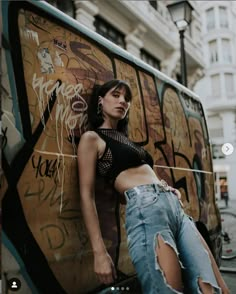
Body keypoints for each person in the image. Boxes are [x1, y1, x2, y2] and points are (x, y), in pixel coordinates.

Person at [77, 79, 229, 294]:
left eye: (127, 99)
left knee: (212, 287)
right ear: (101, 101)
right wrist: (99, 252)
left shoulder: (125, 139)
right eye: (116, 95)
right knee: (168, 289)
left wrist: (164, 187)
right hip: (147, 211)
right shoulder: (92, 138)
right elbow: (86, 195)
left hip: (175, 210)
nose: (122, 101)